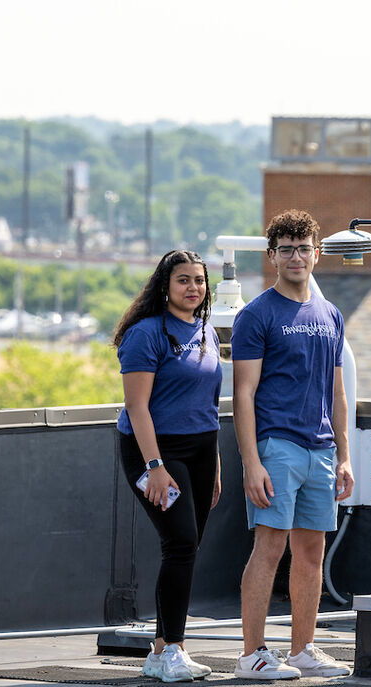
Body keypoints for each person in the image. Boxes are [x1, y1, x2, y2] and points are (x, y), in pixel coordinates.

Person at [231, 209, 354, 680]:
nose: (296, 257)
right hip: (276, 447)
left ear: (317, 254)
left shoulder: (331, 314)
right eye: (286, 249)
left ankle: (303, 649)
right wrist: (252, 462)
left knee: (311, 553)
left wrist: (345, 457)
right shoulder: (256, 315)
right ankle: (252, 655)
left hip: (321, 451)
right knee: (270, 548)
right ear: (272, 256)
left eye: (304, 248)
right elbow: (243, 393)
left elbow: (337, 392)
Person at [113, 249, 223, 683]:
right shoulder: (146, 334)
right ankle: (171, 648)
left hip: (200, 448)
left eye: (199, 280)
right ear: (165, 285)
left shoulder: (206, 331)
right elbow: (137, 407)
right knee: (179, 543)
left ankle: (163, 650)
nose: (193, 287)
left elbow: (209, 403)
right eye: (183, 280)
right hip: (155, 449)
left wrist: (214, 463)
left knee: (187, 547)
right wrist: (155, 466)